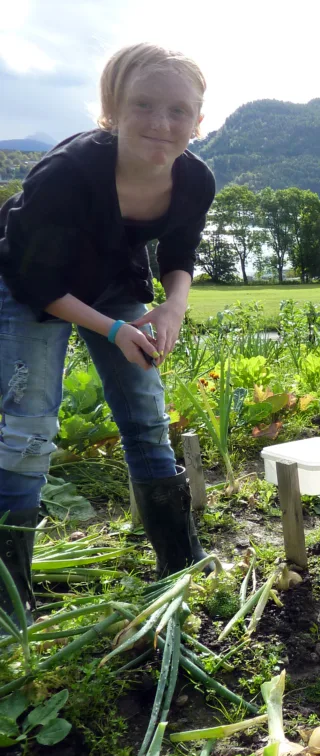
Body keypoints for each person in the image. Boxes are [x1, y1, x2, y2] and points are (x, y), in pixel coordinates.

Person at [0, 43, 216, 624]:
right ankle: (9, 601)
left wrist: (173, 306)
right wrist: (113, 328)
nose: (161, 123)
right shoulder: (67, 173)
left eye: (178, 110)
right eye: (143, 104)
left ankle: (180, 564)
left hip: (113, 282)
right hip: (30, 288)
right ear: (112, 108)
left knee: (146, 415)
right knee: (29, 428)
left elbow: (180, 253)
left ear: (199, 119)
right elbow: (34, 277)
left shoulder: (194, 180)